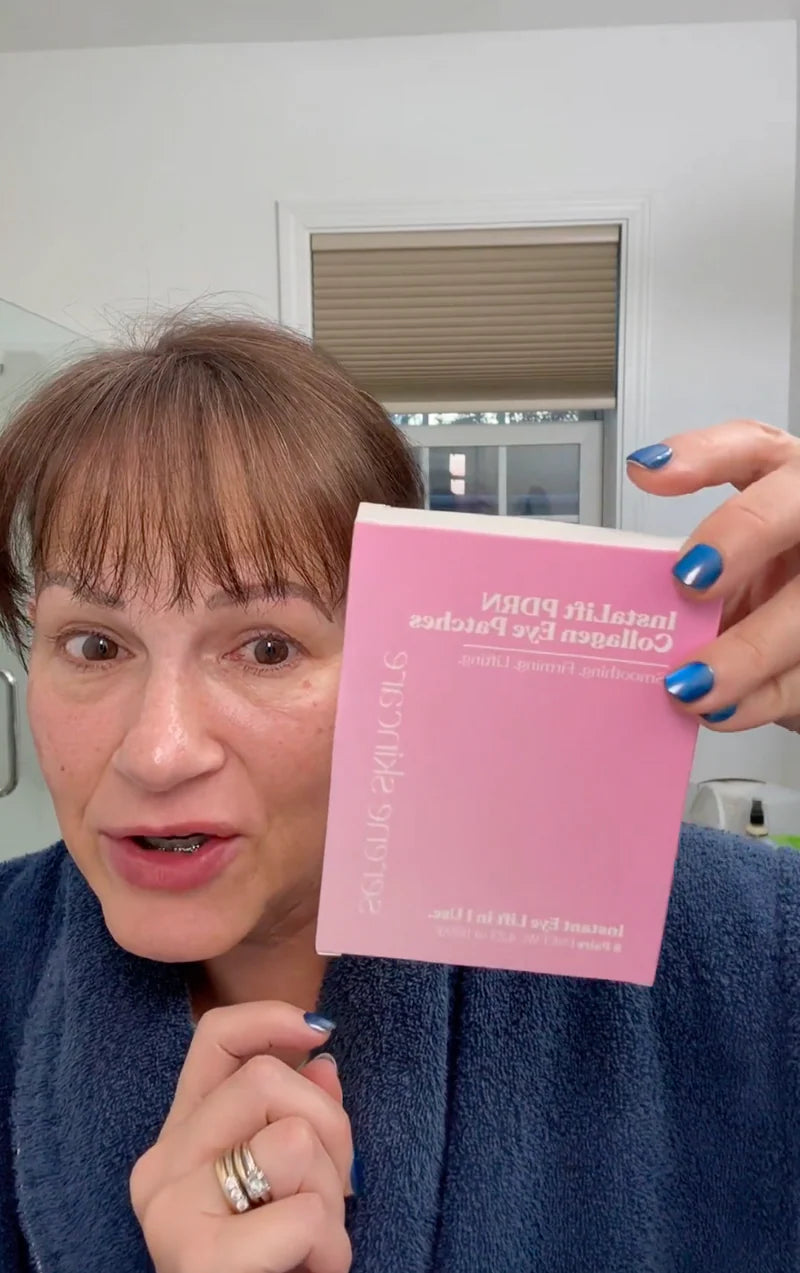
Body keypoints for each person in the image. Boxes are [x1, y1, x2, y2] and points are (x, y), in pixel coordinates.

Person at [0, 315, 799, 1273]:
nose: (158, 752)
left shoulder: (737, 944)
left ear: (396, 655)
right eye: (94, 644)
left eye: (267, 647)